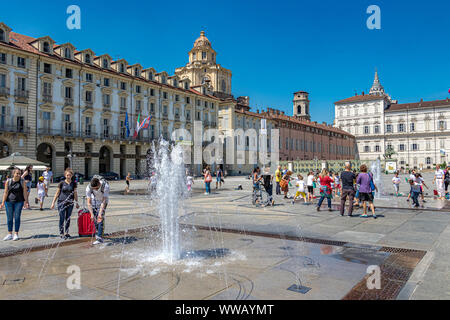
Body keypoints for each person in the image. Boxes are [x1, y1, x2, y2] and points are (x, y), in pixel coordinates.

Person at [1, 168, 29, 241]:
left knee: (17, 217)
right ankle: (10, 234)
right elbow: (5, 192)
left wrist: (26, 202)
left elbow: (25, 193)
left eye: (19, 173)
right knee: (9, 218)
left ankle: (16, 233)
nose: (19, 175)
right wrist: (3, 202)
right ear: (13, 174)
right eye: (17, 173)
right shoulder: (8, 181)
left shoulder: (22, 181)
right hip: (9, 202)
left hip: (19, 202)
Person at [51, 168, 79, 239]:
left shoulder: (74, 184)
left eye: (69, 175)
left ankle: (66, 232)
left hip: (70, 203)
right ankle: (61, 233)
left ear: (72, 175)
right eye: (67, 175)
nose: (68, 176)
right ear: (65, 175)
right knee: (62, 218)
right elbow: (57, 193)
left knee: (68, 218)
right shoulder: (61, 183)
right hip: (61, 202)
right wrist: (53, 203)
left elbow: (75, 193)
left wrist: (77, 202)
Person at [86, 177, 110, 245]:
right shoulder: (88, 188)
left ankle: (99, 237)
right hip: (94, 202)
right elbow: (88, 202)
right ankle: (99, 232)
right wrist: (91, 214)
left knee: (100, 218)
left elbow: (104, 200)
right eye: (94, 189)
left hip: (103, 202)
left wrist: (100, 213)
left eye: (97, 188)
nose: (95, 190)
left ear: (99, 184)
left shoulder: (105, 186)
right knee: (94, 218)